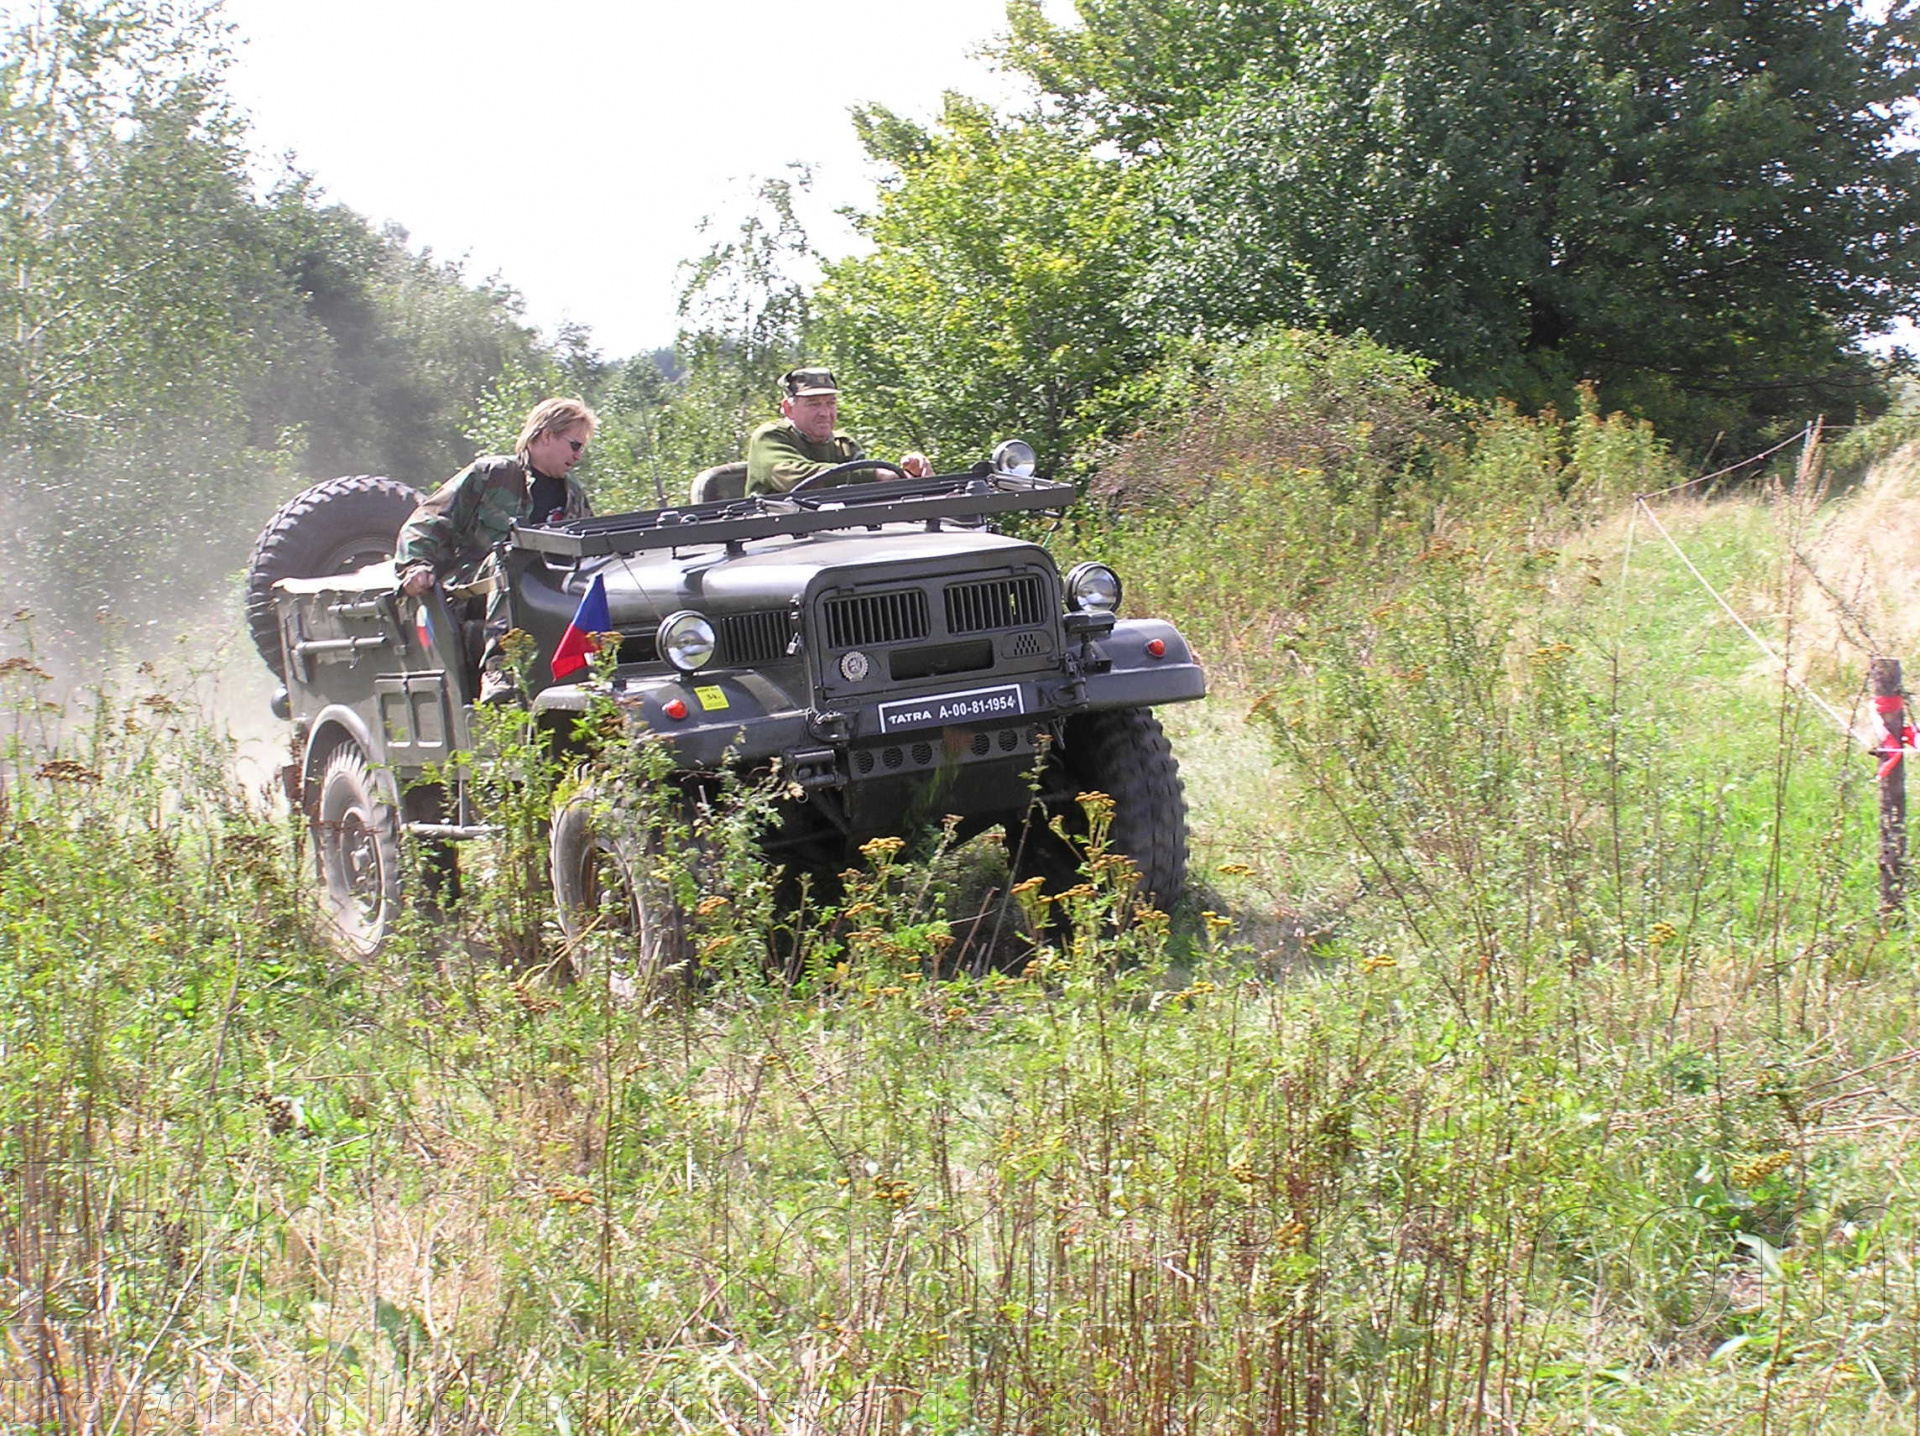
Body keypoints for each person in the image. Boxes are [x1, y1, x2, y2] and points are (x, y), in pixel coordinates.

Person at [394, 396, 598, 703]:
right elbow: (426, 522)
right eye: (575, 445)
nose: (579, 455)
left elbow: (591, 547)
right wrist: (415, 566)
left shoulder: (572, 494)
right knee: (510, 559)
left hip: (546, 593)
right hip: (477, 589)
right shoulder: (491, 475)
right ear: (546, 436)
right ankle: (498, 670)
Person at [744, 367, 931, 495]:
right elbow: (794, 478)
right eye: (813, 404)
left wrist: (911, 475)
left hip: (839, 529)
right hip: (774, 532)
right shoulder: (771, 437)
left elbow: (870, 487)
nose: (824, 413)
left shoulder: (843, 444)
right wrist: (875, 474)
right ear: (788, 408)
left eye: (830, 403)